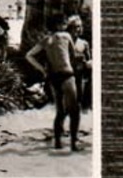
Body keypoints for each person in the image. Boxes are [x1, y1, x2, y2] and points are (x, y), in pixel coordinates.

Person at [25, 15, 83, 152]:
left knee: (60, 111)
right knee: (74, 110)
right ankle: (74, 143)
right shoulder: (66, 36)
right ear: (60, 25)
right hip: (67, 74)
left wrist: (42, 69)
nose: (65, 25)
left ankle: (57, 142)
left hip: (53, 77)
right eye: (63, 23)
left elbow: (29, 55)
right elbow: (73, 56)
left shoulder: (46, 40)